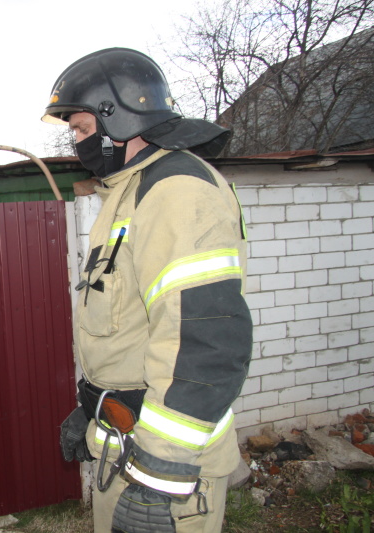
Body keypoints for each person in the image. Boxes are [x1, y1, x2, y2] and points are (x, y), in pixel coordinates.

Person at [44, 48, 253, 533]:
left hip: (164, 475)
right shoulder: (125, 195)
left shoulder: (176, 192)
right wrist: (93, 407)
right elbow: (127, 328)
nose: (76, 142)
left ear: (119, 119)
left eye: (80, 128)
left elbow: (204, 341)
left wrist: (160, 472)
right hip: (122, 448)